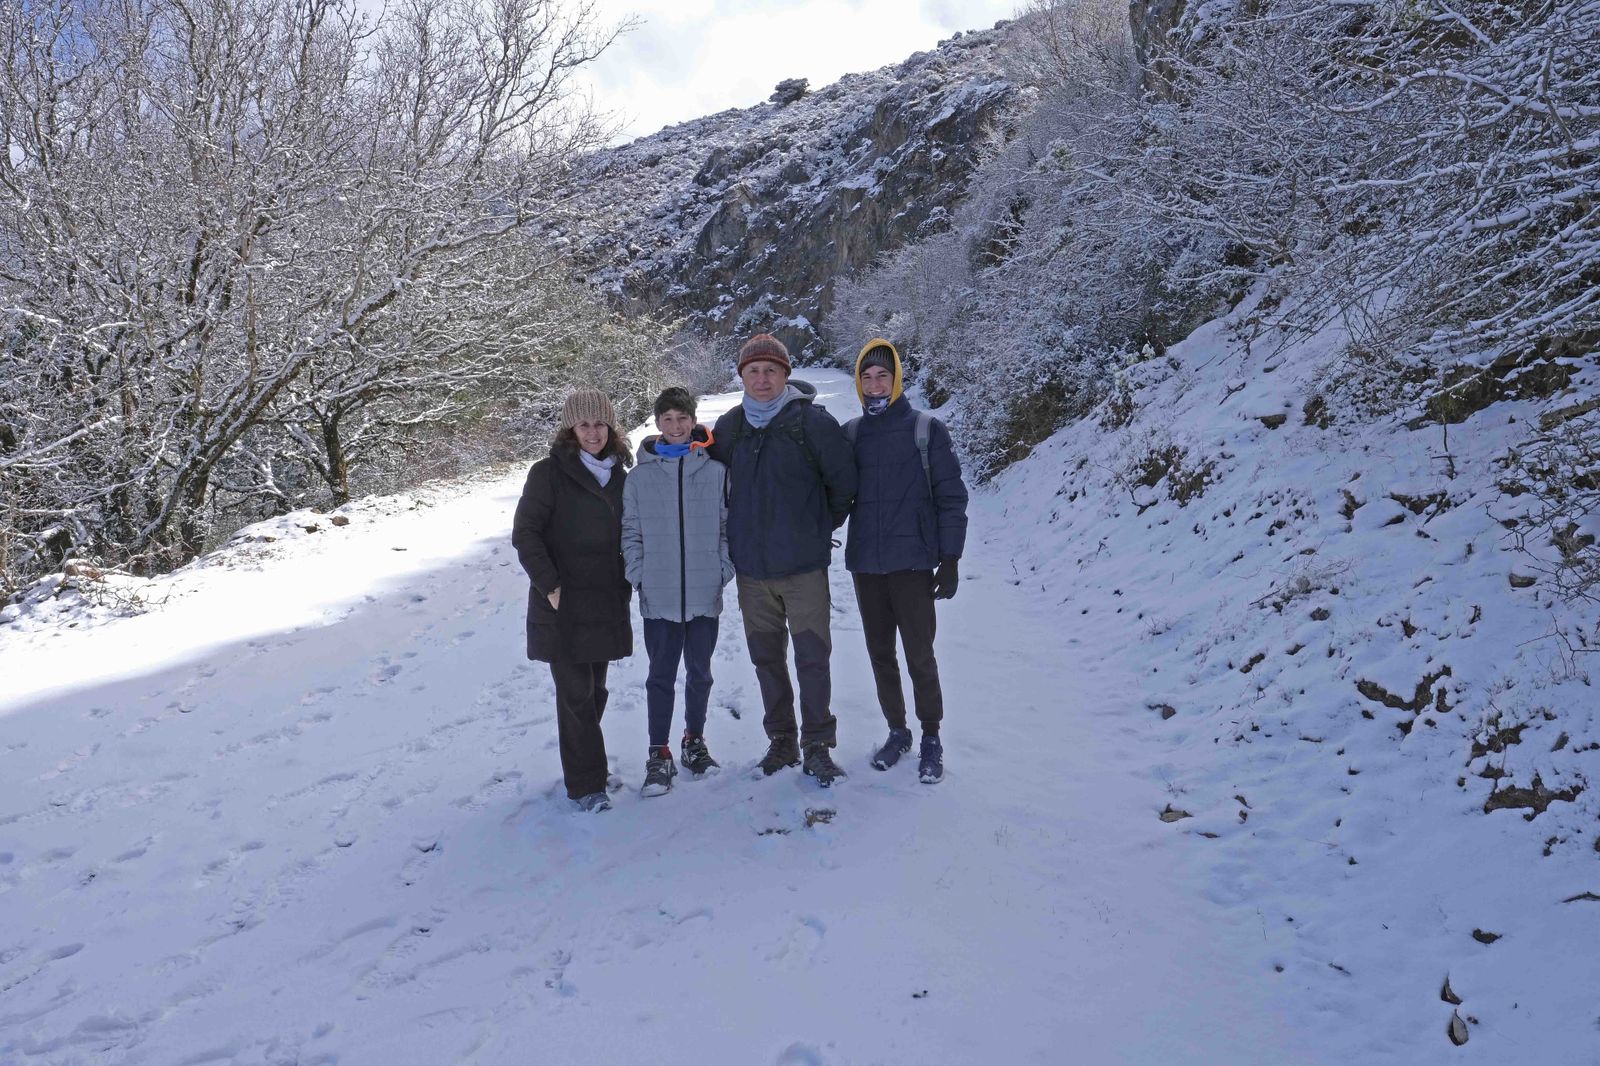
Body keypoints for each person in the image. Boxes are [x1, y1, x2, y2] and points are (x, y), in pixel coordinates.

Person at [709, 334, 858, 786]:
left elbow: (844, 485)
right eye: (752, 371)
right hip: (753, 571)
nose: (761, 379)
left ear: (785, 375)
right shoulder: (730, 428)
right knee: (767, 660)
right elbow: (701, 477)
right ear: (741, 377)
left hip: (803, 569)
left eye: (770, 370)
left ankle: (817, 744)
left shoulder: (812, 424)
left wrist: (815, 528)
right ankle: (782, 740)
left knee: (813, 658)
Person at [843, 339, 968, 783]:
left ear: (896, 379)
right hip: (867, 566)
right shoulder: (852, 433)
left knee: (919, 654)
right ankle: (898, 731)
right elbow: (833, 493)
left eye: (883, 376)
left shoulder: (925, 429)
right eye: (867, 377)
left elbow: (951, 496)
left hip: (913, 563)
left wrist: (949, 557)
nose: (875, 385)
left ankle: (930, 735)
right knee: (881, 655)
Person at [511, 389, 634, 813]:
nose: (593, 432)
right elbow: (525, 534)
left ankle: (588, 766)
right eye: (584, 425)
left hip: (604, 600)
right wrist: (550, 586)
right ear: (570, 429)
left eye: (600, 423)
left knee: (595, 690)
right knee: (575, 693)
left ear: (611, 427)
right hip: (562, 602)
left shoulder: (620, 475)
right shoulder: (547, 473)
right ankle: (586, 785)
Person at [621, 386, 734, 797]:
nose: (674, 426)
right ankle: (659, 753)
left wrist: (723, 569)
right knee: (660, 677)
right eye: (666, 419)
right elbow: (630, 532)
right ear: (657, 423)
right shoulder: (639, 478)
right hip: (659, 595)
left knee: (700, 673)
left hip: (705, 591)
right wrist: (640, 574)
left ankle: (694, 741)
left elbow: (727, 527)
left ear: (692, 420)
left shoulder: (716, 471)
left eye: (681, 418)